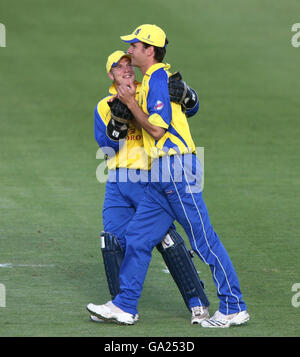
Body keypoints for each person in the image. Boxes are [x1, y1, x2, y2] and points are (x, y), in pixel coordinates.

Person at [87, 24, 250, 328]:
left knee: (203, 240)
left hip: (176, 167)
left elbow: (158, 129)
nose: (130, 50)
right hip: (161, 174)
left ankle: (233, 306)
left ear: (149, 50)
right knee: (137, 238)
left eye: (135, 46)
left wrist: (131, 103)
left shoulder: (159, 76)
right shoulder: (150, 80)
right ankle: (125, 306)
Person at [88, 50, 209, 325]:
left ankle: (197, 302)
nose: (126, 69)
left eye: (129, 65)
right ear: (111, 74)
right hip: (117, 182)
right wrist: (117, 123)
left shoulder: (149, 91)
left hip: (149, 176)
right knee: (112, 239)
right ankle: (122, 307)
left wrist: (188, 93)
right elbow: (106, 146)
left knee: (165, 238)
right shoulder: (104, 105)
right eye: (119, 67)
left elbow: (188, 108)